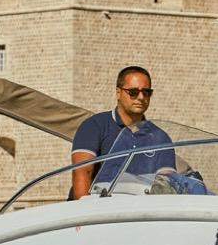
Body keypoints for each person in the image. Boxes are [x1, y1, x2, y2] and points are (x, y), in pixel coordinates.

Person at [70, 66, 175, 199]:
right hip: (97, 208)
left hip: (138, 212)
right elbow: (83, 173)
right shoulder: (94, 126)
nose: (141, 97)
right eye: (133, 92)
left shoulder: (160, 138)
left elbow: (166, 185)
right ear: (118, 93)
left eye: (146, 92)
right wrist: (86, 214)